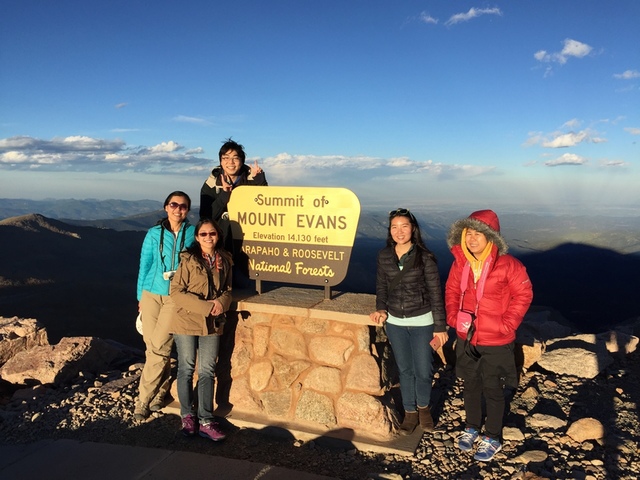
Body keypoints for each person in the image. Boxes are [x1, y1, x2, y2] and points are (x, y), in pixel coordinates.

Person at [445, 209, 533, 462]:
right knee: (471, 386)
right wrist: (453, 318)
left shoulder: (509, 265)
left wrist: (507, 324)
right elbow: (451, 290)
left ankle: (492, 436)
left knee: (493, 390)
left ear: (491, 237)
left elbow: (524, 295)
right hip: (467, 337)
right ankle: (472, 427)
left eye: (478, 234)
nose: (472, 239)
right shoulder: (460, 263)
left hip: (496, 340)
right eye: (468, 234)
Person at [370, 208, 447, 435]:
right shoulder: (384, 255)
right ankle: (410, 412)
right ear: (389, 231)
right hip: (395, 322)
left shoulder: (425, 257)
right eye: (394, 227)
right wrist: (381, 308)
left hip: (423, 320)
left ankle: (424, 409)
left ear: (413, 229)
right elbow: (382, 286)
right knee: (405, 370)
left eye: (404, 226)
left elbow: (435, 292)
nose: (399, 231)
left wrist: (440, 326)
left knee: (423, 369)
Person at [169, 218, 233, 441]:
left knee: (207, 371)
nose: (208, 237)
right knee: (186, 368)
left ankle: (206, 420)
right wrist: (206, 306)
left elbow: (228, 289)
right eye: (204, 234)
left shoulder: (224, 259)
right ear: (197, 238)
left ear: (218, 236)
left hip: (212, 322)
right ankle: (187, 415)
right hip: (187, 320)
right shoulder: (187, 260)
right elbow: (176, 291)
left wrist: (221, 303)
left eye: (212, 233)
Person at [135, 191, 195, 420]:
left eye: (183, 206)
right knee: (152, 347)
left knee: (159, 348)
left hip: (175, 296)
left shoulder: (192, 233)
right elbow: (145, 264)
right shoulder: (153, 234)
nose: (178, 209)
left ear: (187, 210)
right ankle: (160, 391)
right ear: (166, 207)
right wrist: (140, 297)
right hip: (151, 293)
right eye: (174, 204)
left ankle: (143, 400)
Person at [199, 139, 267, 277]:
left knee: (245, 286)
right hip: (220, 246)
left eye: (235, 158)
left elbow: (265, 208)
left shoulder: (253, 180)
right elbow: (206, 216)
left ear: (242, 161)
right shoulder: (211, 184)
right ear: (220, 161)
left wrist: (260, 181)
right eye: (226, 158)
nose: (230, 162)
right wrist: (225, 194)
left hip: (247, 246)